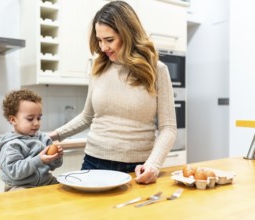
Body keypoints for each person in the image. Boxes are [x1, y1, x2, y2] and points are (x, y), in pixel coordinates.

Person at [49, 1, 176, 185]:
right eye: (99, 40)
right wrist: (52, 136)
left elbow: (168, 127)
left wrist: (153, 165)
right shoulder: (98, 68)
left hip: (138, 167)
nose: (103, 48)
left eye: (109, 40)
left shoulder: (156, 70)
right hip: (94, 162)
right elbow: (87, 116)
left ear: (128, 34)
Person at [0, 89, 63, 191]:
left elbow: (53, 166)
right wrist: (39, 160)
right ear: (13, 120)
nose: (36, 123)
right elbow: (15, 172)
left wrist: (56, 157)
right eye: (30, 119)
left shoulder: (44, 139)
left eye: (39, 118)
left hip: (46, 182)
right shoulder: (11, 145)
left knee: (64, 189)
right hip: (20, 186)